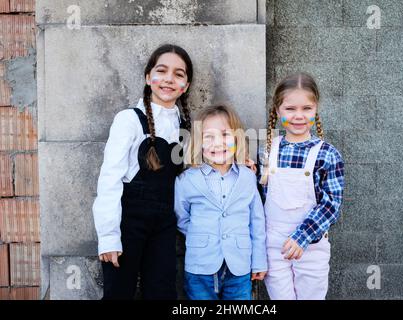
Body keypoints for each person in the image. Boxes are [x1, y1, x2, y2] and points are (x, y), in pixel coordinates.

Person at [92, 44, 193, 299]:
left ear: (186, 85)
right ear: (149, 78)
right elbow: (110, 179)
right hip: (128, 222)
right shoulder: (129, 120)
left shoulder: (184, 126)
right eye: (162, 71)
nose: (169, 78)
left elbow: (196, 171)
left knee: (162, 291)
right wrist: (109, 237)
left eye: (179, 74)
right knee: (119, 292)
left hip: (164, 226)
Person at [259, 73, 345, 300]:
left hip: (311, 248)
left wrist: (302, 237)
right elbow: (259, 197)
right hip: (273, 247)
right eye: (290, 109)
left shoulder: (327, 154)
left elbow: (331, 205)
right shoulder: (267, 151)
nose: (299, 116)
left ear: (316, 109)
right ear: (278, 111)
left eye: (306, 108)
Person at [175, 105, 267, 300]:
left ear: (237, 138)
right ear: (198, 143)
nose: (217, 143)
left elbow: (257, 223)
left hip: (239, 268)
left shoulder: (248, 177)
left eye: (225, 135)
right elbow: (182, 219)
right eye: (208, 137)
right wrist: (201, 236)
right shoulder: (186, 180)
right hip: (200, 268)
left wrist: (259, 261)